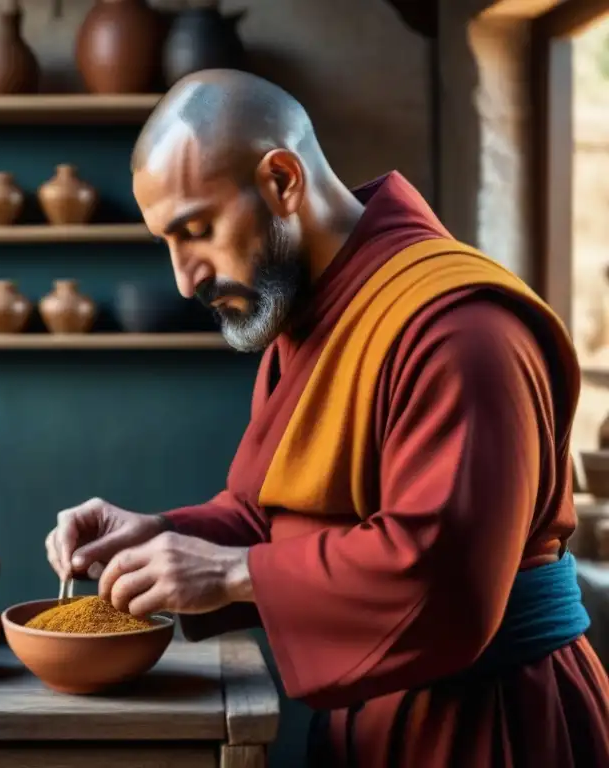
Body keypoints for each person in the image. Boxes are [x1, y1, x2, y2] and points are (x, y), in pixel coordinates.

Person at [45, 69, 609, 767]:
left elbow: (445, 580)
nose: (184, 278)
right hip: (369, 724)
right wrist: (162, 535)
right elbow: (276, 515)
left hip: (493, 727)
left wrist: (231, 575)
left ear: (283, 181)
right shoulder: (313, 313)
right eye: (168, 242)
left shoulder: (463, 329)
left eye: (197, 230)